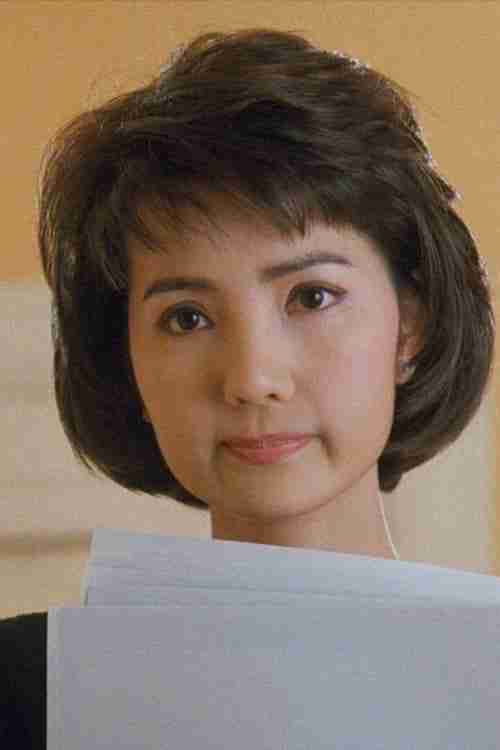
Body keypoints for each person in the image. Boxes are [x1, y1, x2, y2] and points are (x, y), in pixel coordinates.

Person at [1, 27, 495, 748]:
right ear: (127, 360)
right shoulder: (24, 695)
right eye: (187, 317)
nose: (252, 379)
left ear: (409, 325)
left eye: (312, 297)